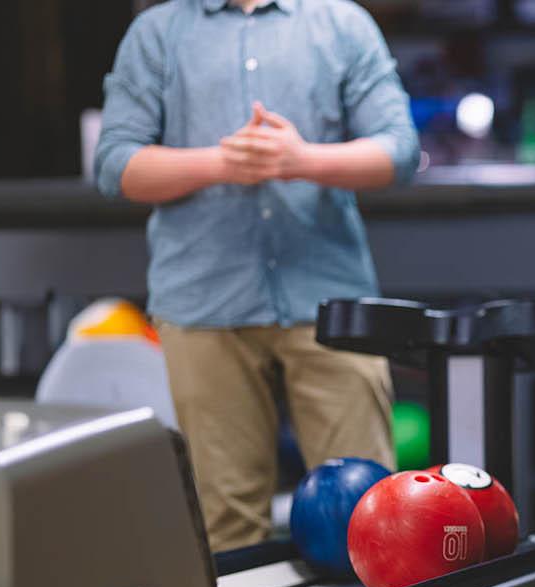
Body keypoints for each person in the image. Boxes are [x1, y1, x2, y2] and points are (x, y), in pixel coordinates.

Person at [94, 0, 420, 552]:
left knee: (369, 517)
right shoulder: (157, 32)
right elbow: (114, 164)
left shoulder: (340, 23)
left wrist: (301, 160)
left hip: (329, 301)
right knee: (228, 530)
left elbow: (400, 149)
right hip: (203, 305)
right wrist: (223, 163)